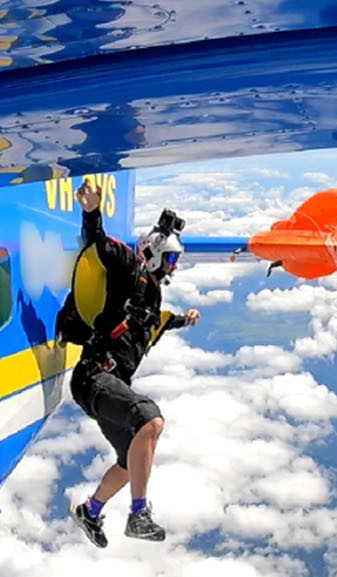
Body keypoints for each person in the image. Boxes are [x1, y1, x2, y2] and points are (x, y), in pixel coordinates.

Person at [66, 178, 200, 547]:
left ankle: (90, 511)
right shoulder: (130, 270)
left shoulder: (151, 301)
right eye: (171, 259)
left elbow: (158, 322)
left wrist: (185, 319)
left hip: (106, 383)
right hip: (94, 376)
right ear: (155, 253)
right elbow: (101, 246)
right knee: (149, 419)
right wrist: (92, 212)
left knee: (129, 462)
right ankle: (138, 514)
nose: (173, 267)